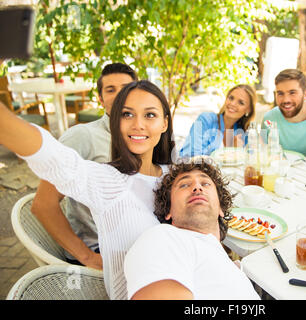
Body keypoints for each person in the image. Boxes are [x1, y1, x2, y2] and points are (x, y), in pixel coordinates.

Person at [0, 80, 175, 300]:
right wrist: (88, 257)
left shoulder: (176, 176)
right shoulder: (107, 181)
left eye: (149, 115)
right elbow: (52, 157)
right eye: (127, 114)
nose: (138, 124)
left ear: (165, 123)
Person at [31, 63, 138, 269]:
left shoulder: (145, 136)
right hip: (102, 251)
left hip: (137, 243)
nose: (119, 95)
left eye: (126, 88)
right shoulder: (83, 136)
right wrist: (87, 257)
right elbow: (43, 204)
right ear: (100, 99)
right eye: (110, 90)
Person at [124, 159, 261, 300]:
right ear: (169, 211)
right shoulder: (163, 238)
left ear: (220, 208)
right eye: (184, 185)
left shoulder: (223, 261)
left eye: (205, 183)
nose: (197, 187)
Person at [261, 69, 306, 164]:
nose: (286, 100)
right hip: (285, 173)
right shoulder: (269, 119)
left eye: (292, 92)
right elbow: (262, 153)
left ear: (305, 94)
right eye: (280, 93)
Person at [179, 84, 256, 157]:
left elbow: (249, 162)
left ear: (248, 110)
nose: (232, 103)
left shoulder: (244, 133)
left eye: (241, 103)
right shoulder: (206, 120)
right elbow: (190, 155)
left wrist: (238, 152)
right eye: (231, 98)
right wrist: (231, 153)